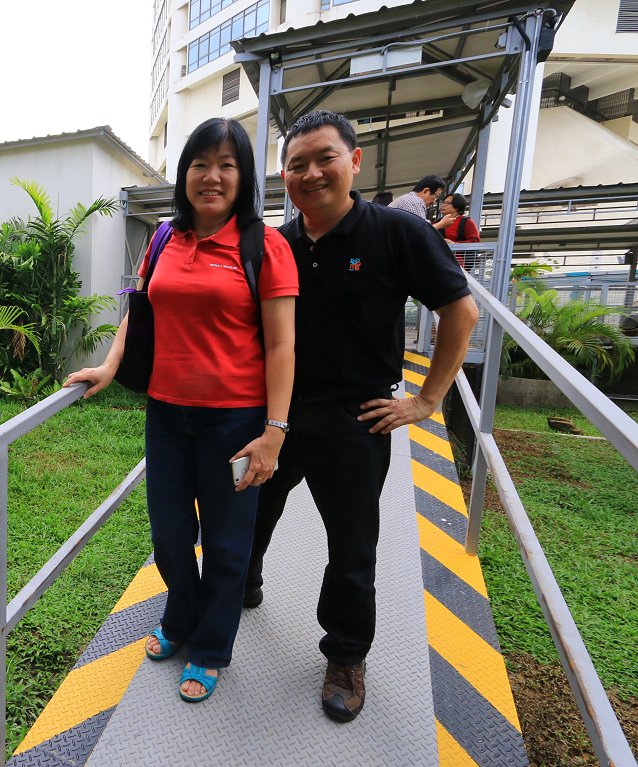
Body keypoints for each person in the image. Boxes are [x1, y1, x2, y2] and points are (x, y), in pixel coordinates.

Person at [244, 110, 478, 722]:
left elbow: (461, 312)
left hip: (357, 420)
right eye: (296, 165)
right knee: (249, 510)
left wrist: (426, 399)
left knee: (352, 546)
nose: (311, 173)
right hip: (279, 415)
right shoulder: (279, 243)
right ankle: (241, 587)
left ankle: (346, 654)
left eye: (324, 158)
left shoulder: (397, 233)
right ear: (285, 178)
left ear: (354, 162)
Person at [64, 118, 298, 703]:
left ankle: (211, 646)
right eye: (199, 163)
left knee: (226, 543)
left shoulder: (266, 247)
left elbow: (282, 346)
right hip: (167, 415)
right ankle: (179, 616)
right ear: (184, 174)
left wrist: (274, 430)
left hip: (235, 421)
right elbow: (138, 316)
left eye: (226, 165)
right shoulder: (165, 237)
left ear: (244, 178)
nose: (211, 176)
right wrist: (110, 366)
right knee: (170, 535)